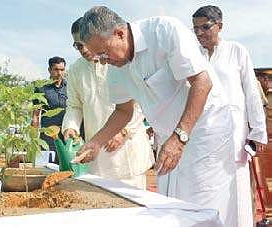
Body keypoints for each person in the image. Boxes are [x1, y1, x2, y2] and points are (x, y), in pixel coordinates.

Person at [75, 6, 237, 226]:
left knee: (203, 207)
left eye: (104, 53)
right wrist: (96, 142)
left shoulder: (164, 31)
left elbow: (202, 82)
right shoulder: (116, 67)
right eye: (98, 56)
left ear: (120, 33)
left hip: (203, 131)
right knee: (172, 207)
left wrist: (180, 137)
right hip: (169, 138)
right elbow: (123, 111)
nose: (103, 61)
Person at [192, 5, 267, 227]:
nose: (199, 34)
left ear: (220, 26)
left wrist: (258, 131)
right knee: (206, 190)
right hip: (204, 135)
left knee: (237, 190)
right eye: (195, 29)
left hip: (234, 134)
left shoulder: (237, 50)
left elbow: (251, 93)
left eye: (205, 27)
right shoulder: (194, 55)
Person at [62, 18, 154, 189]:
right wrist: (71, 128)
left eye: (85, 43)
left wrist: (124, 131)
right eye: (78, 46)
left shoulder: (118, 60)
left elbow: (140, 100)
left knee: (132, 209)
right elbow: (74, 105)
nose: (83, 49)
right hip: (96, 154)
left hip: (128, 150)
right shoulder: (76, 70)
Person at [32, 56, 67, 163]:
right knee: (48, 165)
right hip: (48, 135)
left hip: (66, 133)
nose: (59, 73)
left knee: (66, 164)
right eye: (56, 69)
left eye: (62, 70)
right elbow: (35, 115)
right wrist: (33, 138)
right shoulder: (41, 88)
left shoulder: (70, 87)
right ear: (49, 70)